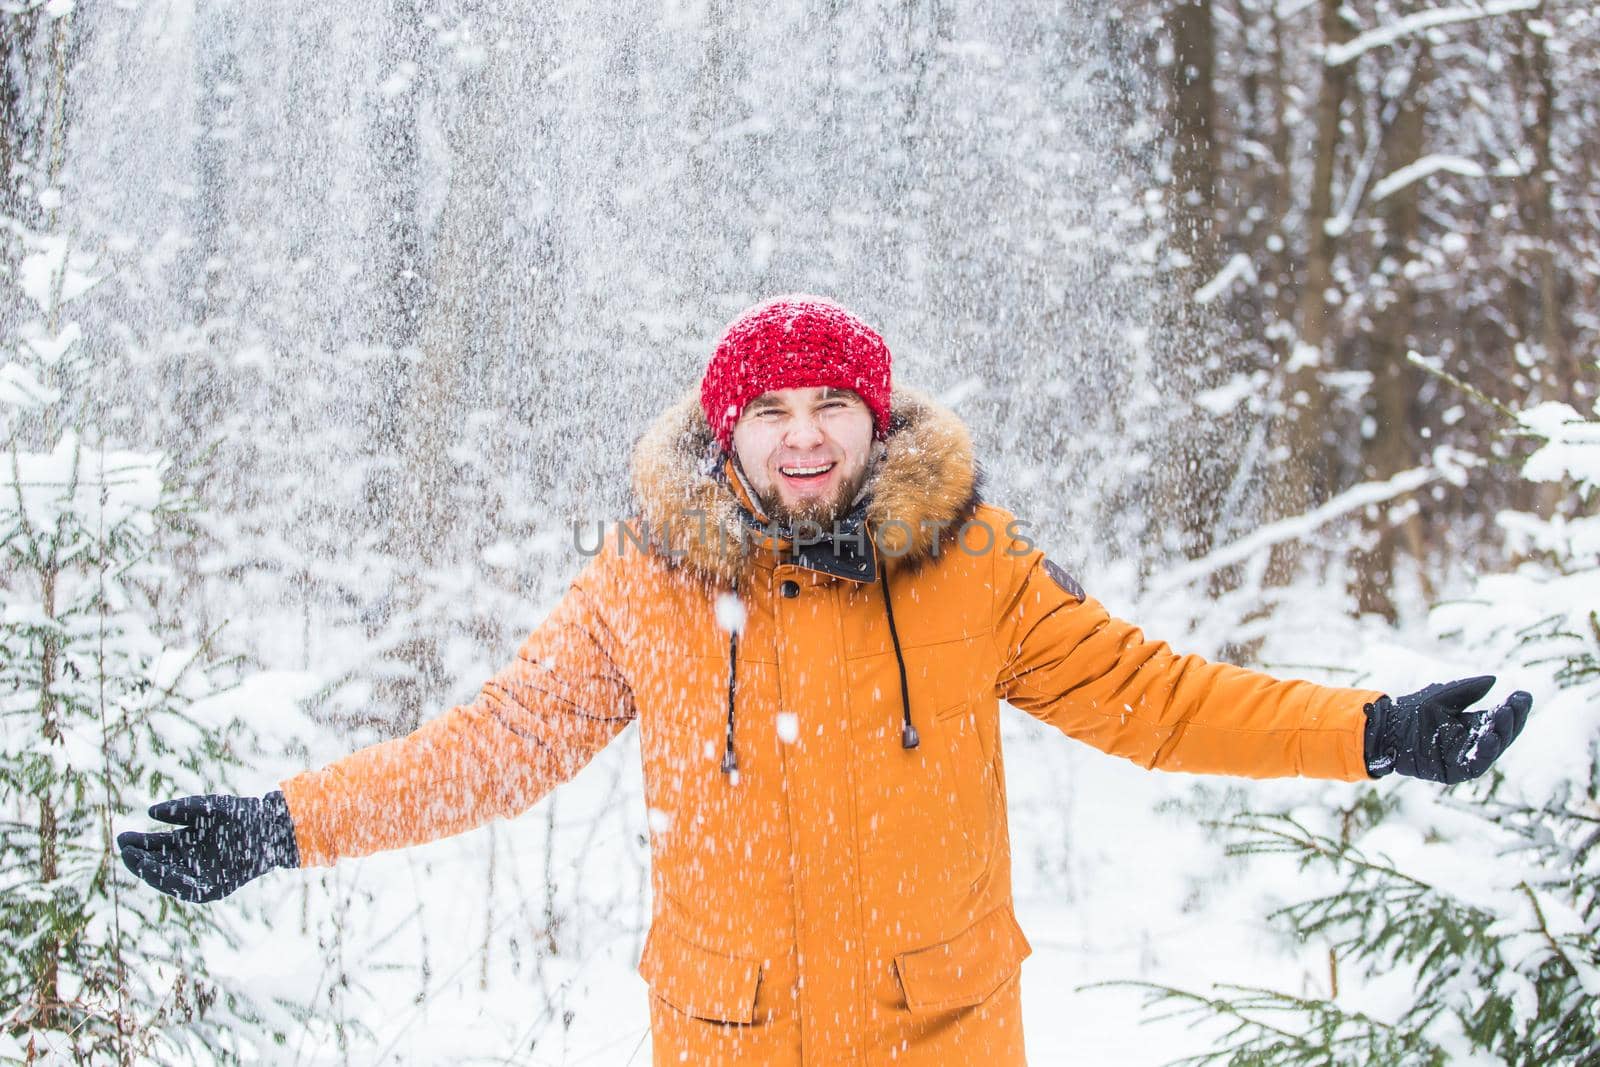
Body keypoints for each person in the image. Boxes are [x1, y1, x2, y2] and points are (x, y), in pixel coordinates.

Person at [119, 295, 1532, 1065]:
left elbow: (1154, 699)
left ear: (878, 421)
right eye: (773, 416)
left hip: (945, 1032)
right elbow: (489, 749)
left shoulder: (975, 568)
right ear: (724, 438)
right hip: (732, 1035)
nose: (805, 443)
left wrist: (1375, 736)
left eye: (832, 411)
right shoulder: (646, 584)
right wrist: (284, 824)